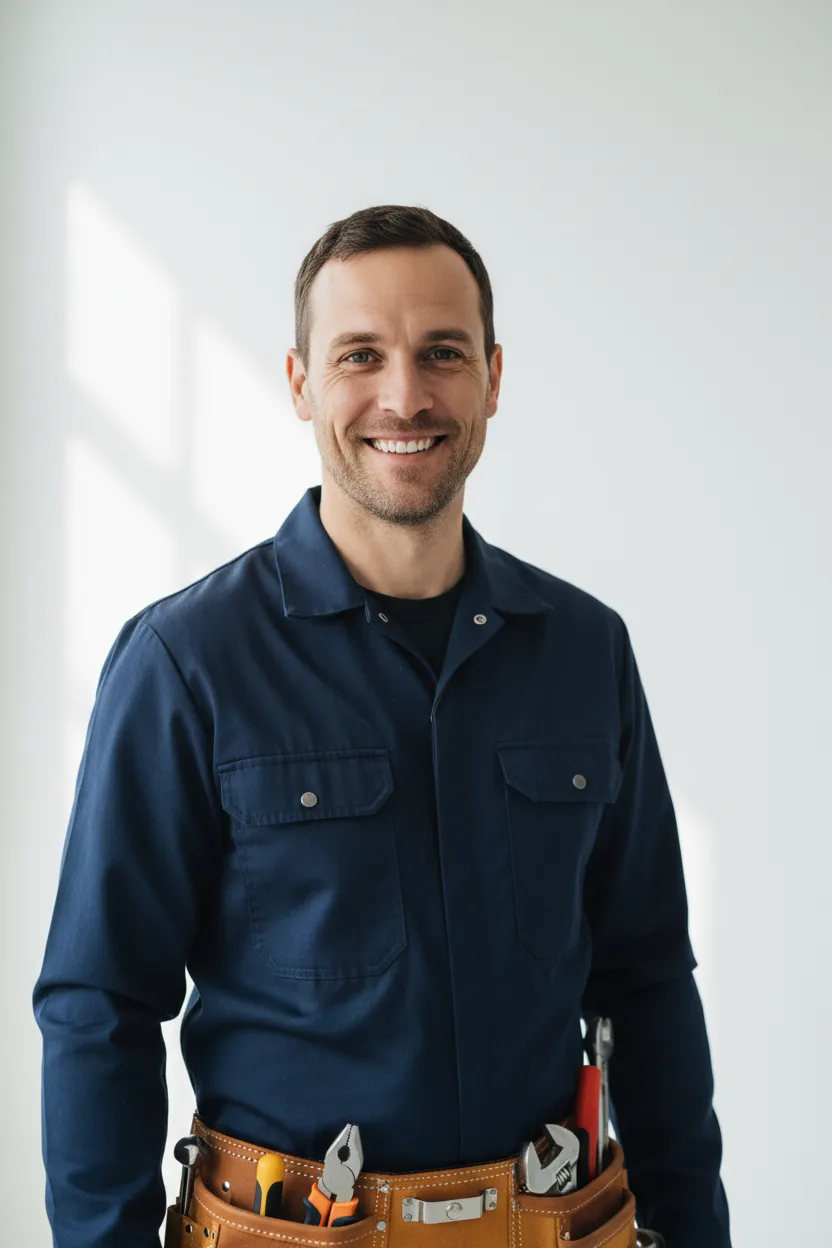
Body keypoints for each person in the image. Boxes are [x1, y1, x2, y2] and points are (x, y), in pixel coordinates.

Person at [34, 204, 731, 1247]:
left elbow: (647, 979)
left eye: (441, 353)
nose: (404, 396)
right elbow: (99, 1007)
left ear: (493, 377)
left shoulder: (586, 651)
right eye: (361, 354)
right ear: (301, 381)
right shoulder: (186, 662)